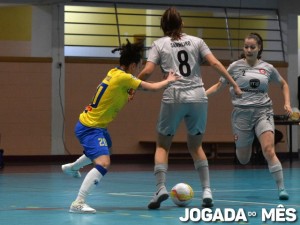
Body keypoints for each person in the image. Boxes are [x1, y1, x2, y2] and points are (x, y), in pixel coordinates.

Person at [137, 7, 242, 209]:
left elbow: (148, 70)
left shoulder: (159, 44)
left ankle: (160, 188)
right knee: (196, 146)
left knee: (162, 146)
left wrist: (131, 85)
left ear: (162, 26)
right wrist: (234, 84)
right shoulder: (197, 41)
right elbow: (215, 63)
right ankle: (207, 191)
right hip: (198, 97)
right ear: (182, 23)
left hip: (174, 96)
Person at [61, 39, 180, 214]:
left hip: (93, 125)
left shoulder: (114, 73)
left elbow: (113, 91)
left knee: (103, 149)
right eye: (138, 66)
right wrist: (169, 80)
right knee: (103, 162)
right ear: (132, 65)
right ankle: (78, 202)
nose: (138, 69)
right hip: (91, 127)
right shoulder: (124, 78)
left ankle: (72, 168)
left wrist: (126, 94)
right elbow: (152, 88)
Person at [206, 32, 292, 200]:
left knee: (268, 150)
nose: (249, 50)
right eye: (246, 47)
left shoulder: (268, 68)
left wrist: (287, 103)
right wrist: (202, 95)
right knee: (243, 159)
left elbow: (283, 84)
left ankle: (281, 188)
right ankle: (245, 142)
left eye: (252, 47)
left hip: (263, 112)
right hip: (241, 115)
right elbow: (218, 85)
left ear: (259, 48)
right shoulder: (234, 67)